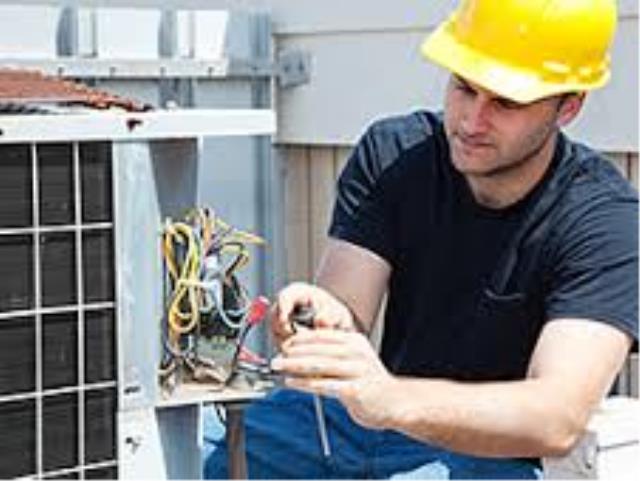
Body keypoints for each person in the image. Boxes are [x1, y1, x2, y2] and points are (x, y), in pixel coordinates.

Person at [204, 0, 638, 478]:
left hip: (490, 459)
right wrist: (325, 316)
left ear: (569, 105)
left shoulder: (605, 220)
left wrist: (391, 399)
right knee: (186, 445)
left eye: (506, 103)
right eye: (464, 88)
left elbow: (556, 417)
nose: (472, 121)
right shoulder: (394, 154)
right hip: (361, 426)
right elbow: (347, 310)